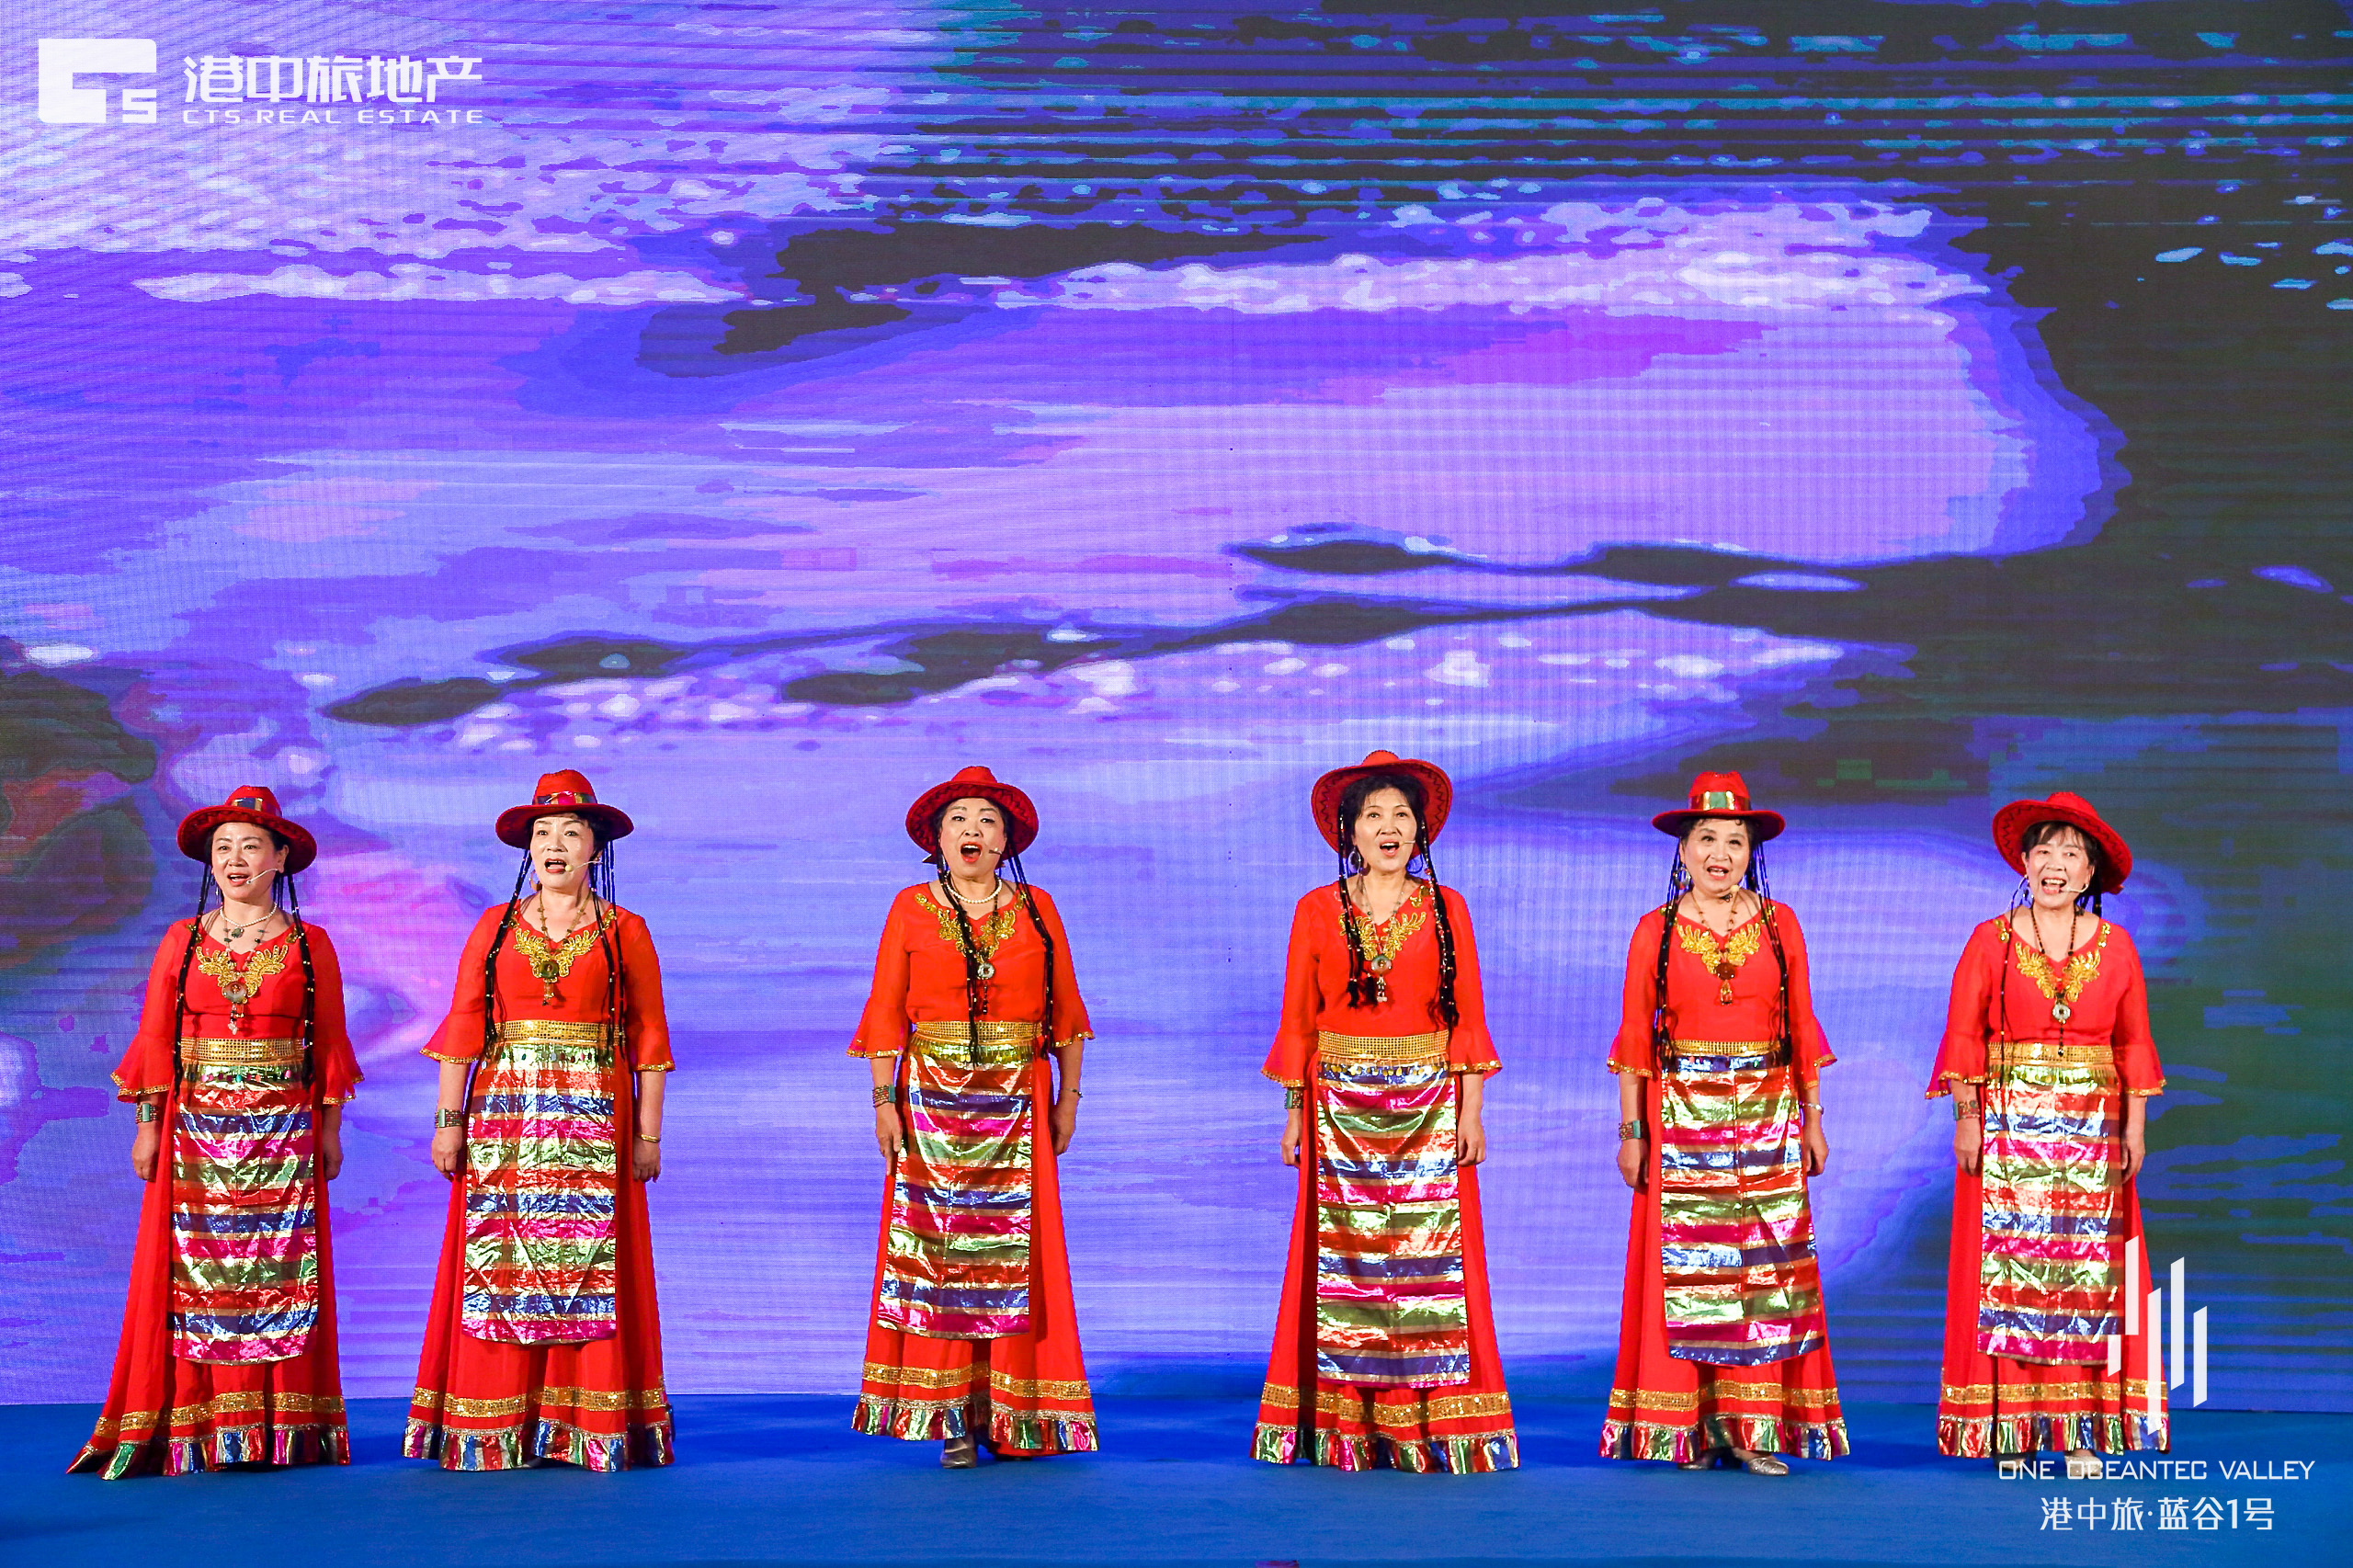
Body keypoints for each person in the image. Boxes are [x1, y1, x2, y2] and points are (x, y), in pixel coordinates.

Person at [71, 787, 361, 1477]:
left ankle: (280, 1426)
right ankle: (196, 1421)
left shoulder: (311, 943)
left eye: (251, 847)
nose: (235, 860)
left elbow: (328, 1044)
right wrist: (147, 1127)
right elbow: (155, 1040)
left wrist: (330, 1129)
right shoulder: (183, 939)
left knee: (278, 1270)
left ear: (280, 858)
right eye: (223, 848)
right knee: (192, 1272)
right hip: (193, 1129)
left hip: (285, 1131)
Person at [404, 769, 675, 1471]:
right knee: (502, 1262)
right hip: (505, 1118)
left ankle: (585, 1419)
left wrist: (647, 1135)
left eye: (570, 833)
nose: (555, 845)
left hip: (597, 1116)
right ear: (529, 849)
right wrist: (448, 1121)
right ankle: (498, 1421)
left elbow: (649, 1037)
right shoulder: (495, 927)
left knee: (590, 1264)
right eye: (543, 834)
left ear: (595, 849)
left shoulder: (626, 931)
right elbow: (464, 1024)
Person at [1254, 750, 1516, 1472]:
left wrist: (1471, 1112)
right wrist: (1294, 1113)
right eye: (1374, 815)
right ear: (1350, 831)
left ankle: (1426, 1421)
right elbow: (1299, 1022)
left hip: (1430, 1105)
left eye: (1402, 814)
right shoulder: (1316, 909)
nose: (1389, 827)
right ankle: (1348, 1424)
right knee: (1348, 1266)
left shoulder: (1447, 906)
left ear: (1420, 829)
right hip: (1337, 1108)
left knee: (1426, 1266)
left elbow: (1468, 1018)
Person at [849, 766, 1097, 1467]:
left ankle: (1017, 1415)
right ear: (937, 838)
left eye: (987, 821)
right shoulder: (909, 907)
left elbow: (1067, 1011)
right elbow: (885, 1010)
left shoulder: (1038, 908)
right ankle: (952, 1414)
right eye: (958, 819)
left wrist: (1068, 1100)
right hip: (930, 1100)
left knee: (1018, 1258)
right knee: (943, 1258)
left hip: (1019, 1099)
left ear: (1005, 841)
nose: (973, 831)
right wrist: (883, 1102)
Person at [1602, 771, 1847, 1474]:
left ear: (1750, 852)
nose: (1720, 854)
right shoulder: (1656, 929)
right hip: (1683, 1118)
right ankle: (1693, 1427)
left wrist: (1814, 1119)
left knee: (1762, 1274)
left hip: (1769, 1113)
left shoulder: (1780, 923)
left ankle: (1753, 1429)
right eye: (1706, 839)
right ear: (1683, 850)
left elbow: (1800, 1026)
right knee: (1693, 1273)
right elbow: (1636, 1038)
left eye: (1734, 842)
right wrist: (1632, 1133)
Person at [1931, 791, 2167, 1474]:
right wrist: (1968, 1120)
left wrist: (2135, 1129)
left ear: (2090, 873)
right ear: (2025, 863)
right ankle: (2013, 1428)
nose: (2055, 865)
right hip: (2008, 1125)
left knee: (2086, 1277)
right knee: (2012, 1271)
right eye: (2044, 851)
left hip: (2094, 1127)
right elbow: (1963, 1036)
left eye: (2071, 853)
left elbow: (2134, 1043)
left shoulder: (2117, 947)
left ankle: (2082, 1429)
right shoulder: (1990, 941)